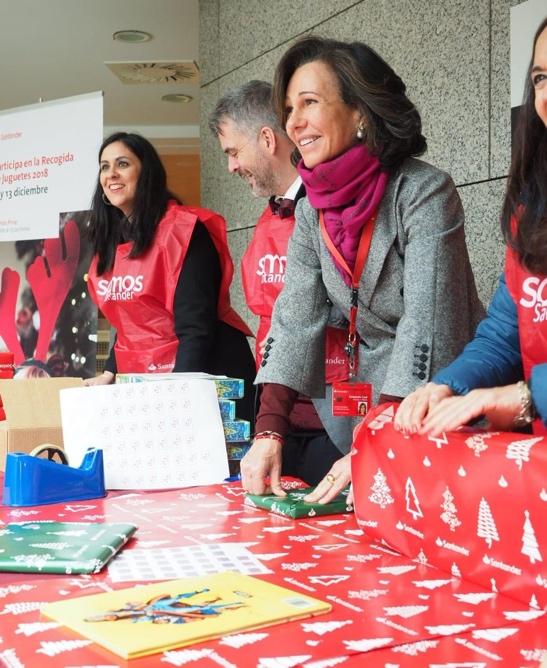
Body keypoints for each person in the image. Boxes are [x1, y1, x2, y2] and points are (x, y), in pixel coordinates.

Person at [240, 36, 485, 501]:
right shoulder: (312, 210)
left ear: (360, 113)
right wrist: (268, 432)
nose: (294, 122)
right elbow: (294, 318)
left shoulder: (424, 191)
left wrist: (380, 438)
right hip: (365, 413)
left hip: (438, 403)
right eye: (289, 108)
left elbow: (427, 326)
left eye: (309, 102)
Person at [394, 18, 547, 438]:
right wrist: (448, 385)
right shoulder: (531, 210)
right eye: (541, 77)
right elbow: (505, 332)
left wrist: (526, 398)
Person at [209, 80, 349, 485]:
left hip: (335, 421)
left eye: (233, 152)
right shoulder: (271, 217)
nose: (231, 167)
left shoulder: (333, 208)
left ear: (267, 139)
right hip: (279, 418)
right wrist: (269, 424)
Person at [85, 132, 256, 422]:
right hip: (157, 383)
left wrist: (176, 400)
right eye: (104, 166)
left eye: (122, 163)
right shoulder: (113, 246)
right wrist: (109, 372)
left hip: (207, 376)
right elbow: (128, 322)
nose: (111, 174)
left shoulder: (184, 230)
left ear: (147, 173)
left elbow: (195, 326)